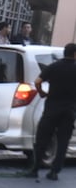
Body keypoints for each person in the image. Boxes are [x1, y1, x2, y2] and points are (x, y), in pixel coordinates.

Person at [24, 43, 76, 180]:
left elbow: (37, 81)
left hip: (51, 108)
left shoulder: (53, 66)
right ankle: (54, 172)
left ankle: (34, 169)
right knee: (63, 141)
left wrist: (42, 93)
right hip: (69, 111)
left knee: (42, 139)